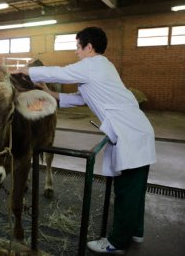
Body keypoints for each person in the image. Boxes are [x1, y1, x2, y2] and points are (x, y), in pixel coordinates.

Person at [13, 27, 156, 254]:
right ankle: (135, 231)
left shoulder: (93, 65)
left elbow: (61, 72)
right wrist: (51, 94)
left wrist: (25, 71)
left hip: (131, 134)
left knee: (126, 191)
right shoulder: (102, 68)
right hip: (136, 131)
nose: (76, 52)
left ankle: (116, 243)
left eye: (78, 47)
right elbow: (80, 98)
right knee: (135, 188)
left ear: (89, 47)